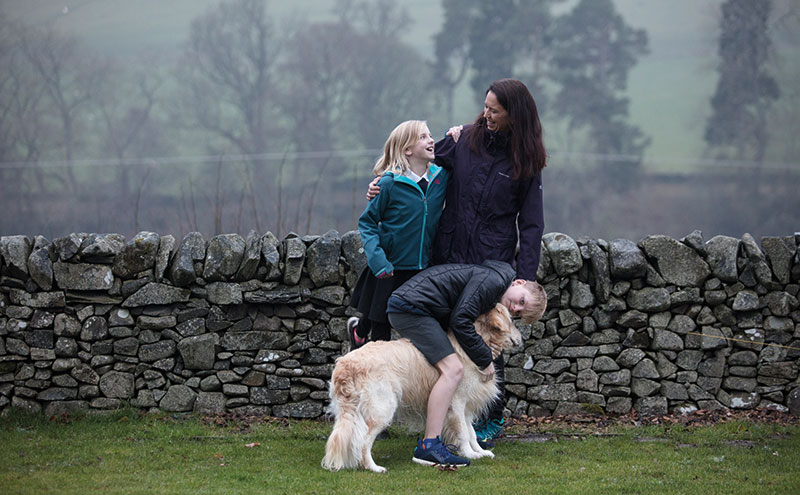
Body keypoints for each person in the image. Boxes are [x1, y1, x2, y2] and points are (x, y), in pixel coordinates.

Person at [368, 78, 547, 444]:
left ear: (515, 115)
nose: (486, 114)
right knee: (442, 338)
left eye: (494, 110)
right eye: (485, 106)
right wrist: (381, 183)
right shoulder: (464, 139)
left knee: (490, 339)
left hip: (491, 261)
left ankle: (490, 417)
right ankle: (442, 419)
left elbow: (531, 224)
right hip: (448, 255)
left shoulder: (526, 161)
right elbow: (417, 162)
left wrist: (523, 279)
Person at [385, 260, 547, 467]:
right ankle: (429, 447)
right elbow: (460, 320)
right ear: (519, 282)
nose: (514, 307)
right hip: (410, 308)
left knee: (450, 370)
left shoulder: (496, 282)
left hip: (414, 307)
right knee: (454, 370)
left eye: (518, 313)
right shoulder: (493, 282)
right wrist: (484, 359)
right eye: (521, 301)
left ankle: (456, 441)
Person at [348, 120, 449, 350]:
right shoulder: (388, 184)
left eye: (431, 135)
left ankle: (359, 332)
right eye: (423, 137)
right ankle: (362, 341)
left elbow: (460, 157)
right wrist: (378, 260)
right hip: (389, 266)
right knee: (380, 326)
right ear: (407, 149)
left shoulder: (442, 179)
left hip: (423, 266)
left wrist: (454, 134)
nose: (431, 140)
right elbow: (368, 222)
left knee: (419, 324)